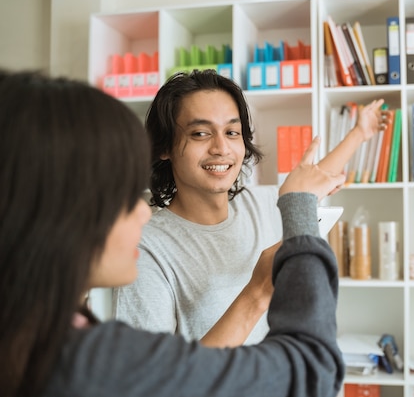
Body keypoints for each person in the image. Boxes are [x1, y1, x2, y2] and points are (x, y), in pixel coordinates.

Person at [0, 69, 349, 397]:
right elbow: (310, 370)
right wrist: (259, 290)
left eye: (232, 131)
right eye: (116, 194)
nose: (140, 210)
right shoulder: (87, 361)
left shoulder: (56, 338)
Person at [112, 69, 387, 346]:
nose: (221, 147)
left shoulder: (259, 203)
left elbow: (316, 179)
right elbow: (153, 382)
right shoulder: (145, 249)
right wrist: (257, 292)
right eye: (200, 133)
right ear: (165, 147)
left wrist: (360, 133)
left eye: (232, 132)